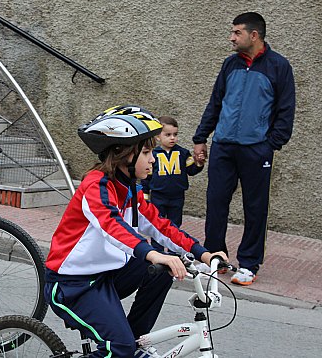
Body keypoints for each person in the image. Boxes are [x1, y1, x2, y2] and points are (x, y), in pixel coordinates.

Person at [45, 105, 227, 358]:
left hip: (108, 275)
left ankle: (134, 342)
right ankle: (123, 348)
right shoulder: (95, 186)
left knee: (162, 273)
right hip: (73, 283)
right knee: (119, 348)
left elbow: (160, 225)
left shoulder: (131, 189)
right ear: (123, 154)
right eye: (146, 152)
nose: (153, 159)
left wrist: (203, 254)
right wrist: (153, 254)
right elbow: (112, 225)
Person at [193, 12, 295, 286]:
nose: (231, 37)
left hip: (256, 150)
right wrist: (201, 137)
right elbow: (215, 103)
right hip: (224, 146)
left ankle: (249, 264)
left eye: (237, 32)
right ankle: (216, 258)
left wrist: (270, 144)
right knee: (215, 203)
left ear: (254, 35)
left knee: (255, 207)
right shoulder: (230, 64)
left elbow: (286, 111)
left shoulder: (278, 66)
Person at [142, 115, 203, 250]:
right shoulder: (154, 154)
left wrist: (199, 163)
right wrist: (145, 194)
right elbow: (147, 177)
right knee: (157, 223)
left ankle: (174, 250)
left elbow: (191, 170)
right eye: (168, 134)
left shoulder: (183, 153)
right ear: (158, 136)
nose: (172, 138)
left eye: (175, 134)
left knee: (175, 225)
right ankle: (157, 251)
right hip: (158, 195)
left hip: (177, 196)